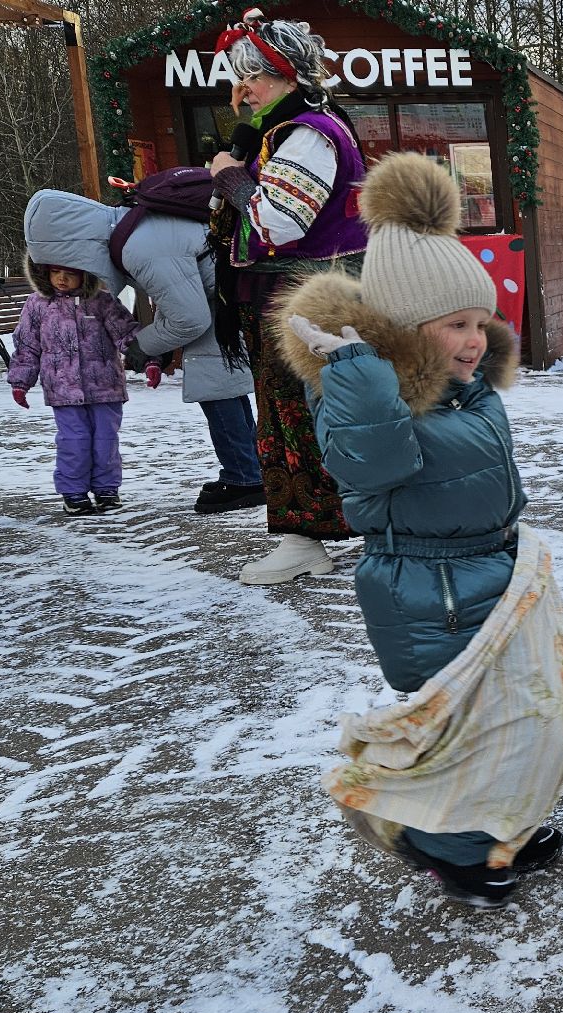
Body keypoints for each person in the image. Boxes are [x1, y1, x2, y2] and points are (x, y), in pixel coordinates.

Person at [276, 153, 563, 909]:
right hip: (426, 589)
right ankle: (454, 848)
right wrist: (357, 372)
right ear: (404, 332)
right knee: (454, 729)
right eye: (455, 327)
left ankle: (499, 822)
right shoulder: (363, 394)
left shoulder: (466, 391)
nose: (475, 341)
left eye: (480, 324)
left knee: (512, 716)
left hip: (486, 575)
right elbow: (370, 466)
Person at [208, 10, 368, 584]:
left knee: (304, 415)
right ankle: (333, 522)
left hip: (302, 301)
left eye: (256, 75)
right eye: (239, 74)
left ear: (290, 75)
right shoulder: (290, 130)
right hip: (298, 298)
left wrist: (228, 176)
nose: (244, 87)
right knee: (305, 412)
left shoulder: (307, 134)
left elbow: (278, 221)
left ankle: (307, 534)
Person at [24, 187, 265, 516]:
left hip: (225, 303)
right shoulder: (133, 228)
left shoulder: (138, 245)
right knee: (222, 387)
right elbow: (176, 293)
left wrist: (144, 346)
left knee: (216, 388)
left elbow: (189, 318)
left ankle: (244, 479)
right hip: (225, 298)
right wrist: (159, 347)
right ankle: (249, 471)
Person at [7, 262, 145, 515]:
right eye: (55, 273)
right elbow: (27, 345)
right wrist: (20, 381)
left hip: (105, 386)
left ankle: (106, 489)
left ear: (86, 275)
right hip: (63, 388)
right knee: (74, 440)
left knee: (106, 440)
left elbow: (126, 334)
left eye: (70, 274)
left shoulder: (101, 301)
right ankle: (73, 491)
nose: (61, 279)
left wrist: (149, 359)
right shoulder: (38, 304)